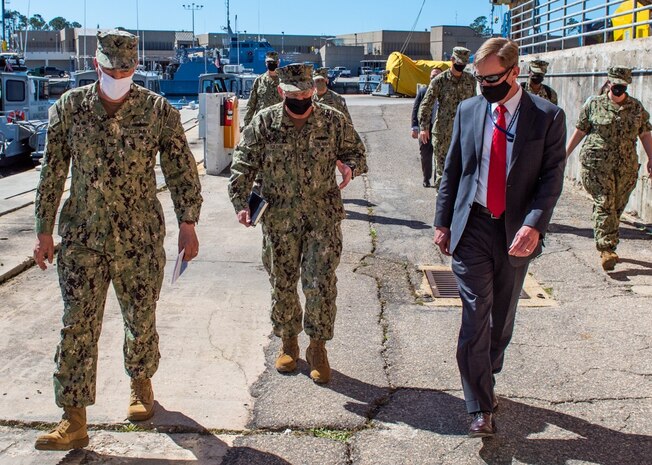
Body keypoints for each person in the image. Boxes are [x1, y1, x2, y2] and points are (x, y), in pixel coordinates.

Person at [32, 30, 203, 451]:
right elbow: (52, 172)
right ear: (96, 65)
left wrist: (188, 223)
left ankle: (141, 386)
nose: (118, 76)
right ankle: (73, 419)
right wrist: (43, 231)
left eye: (126, 70)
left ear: (136, 68)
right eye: (111, 69)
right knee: (76, 327)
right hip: (82, 239)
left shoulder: (158, 111)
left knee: (140, 320)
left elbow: (182, 170)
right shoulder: (69, 109)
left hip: (138, 240)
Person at [433, 38, 566, 438]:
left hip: (514, 230)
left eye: (491, 78)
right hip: (471, 224)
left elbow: (551, 178)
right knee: (475, 315)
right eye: (478, 77)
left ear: (514, 72)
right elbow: (452, 170)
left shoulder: (547, 116)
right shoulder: (469, 110)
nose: (483, 85)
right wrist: (442, 222)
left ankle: (485, 373)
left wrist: (535, 223)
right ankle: (480, 406)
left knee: (501, 319)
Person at [228, 63, 367, 384]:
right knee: (283, 283)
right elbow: (242, 163)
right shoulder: (265, 122)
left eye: (306, 93)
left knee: (320, 283)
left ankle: (317, 347)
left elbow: (357, 152)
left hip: (323, 218)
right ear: (281, 92)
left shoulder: (332, 121)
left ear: (314, 91)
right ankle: (288, 342)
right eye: (294, 94)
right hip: (279, 220)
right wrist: (241, 204)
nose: (301, 99)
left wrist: (349, 166)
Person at [566, 66, 652, 271]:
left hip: (626, 167)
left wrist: (651, 157)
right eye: (615, 85)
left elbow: (645, 134)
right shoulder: (594, 105)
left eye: (622, 86)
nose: (618, 90)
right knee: (605, 201)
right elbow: (580, 131)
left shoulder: (636, 108)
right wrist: (564, 154)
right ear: (609, 83)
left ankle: (608, 240)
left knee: (616, 206)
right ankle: (607, 249)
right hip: (596, 165)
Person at [418, 47, 476, 189]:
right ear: (452, 60)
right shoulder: (439, 81)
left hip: (464, 133)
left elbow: (475, 104)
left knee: (462, 170)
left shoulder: (470, 80)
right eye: (458, 62)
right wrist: (424, 128)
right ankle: (442, 204)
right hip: (443, 133)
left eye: (464, 63)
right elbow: (425, 105)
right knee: (442, 172)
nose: (461, 65)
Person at [412, 66, 444, 187]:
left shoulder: (445, 92)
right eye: (432, 76)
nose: (433, 78)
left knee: (440, 156)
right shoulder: (423, 91)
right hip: (425, 129)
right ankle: (426, 177)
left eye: (436, 76)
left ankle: (438, 179)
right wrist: (415, 128)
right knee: (425, 156)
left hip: (441, 129)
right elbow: (416, 110)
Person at [243, 51, 282, 126]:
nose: (271, 64)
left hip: (278, 123)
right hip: (261, 123)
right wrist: (247, 124)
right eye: (269, 62)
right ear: (265, 63)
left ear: (278, 63)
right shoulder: (259, 80)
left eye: (273, 62)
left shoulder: (284, 81)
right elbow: (251, 104)